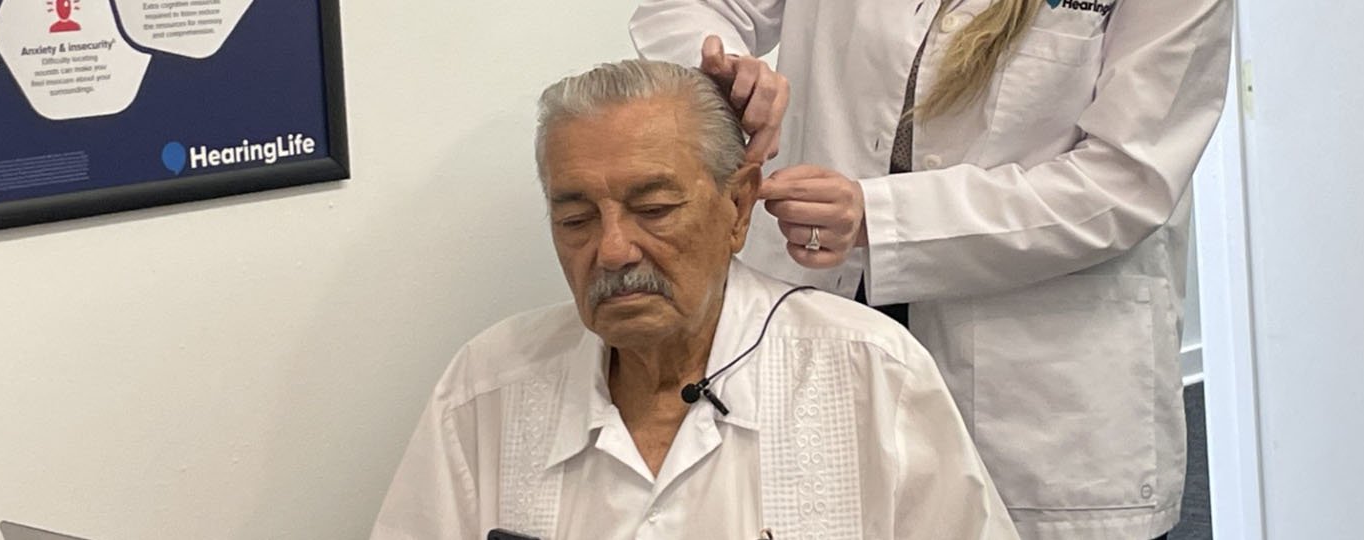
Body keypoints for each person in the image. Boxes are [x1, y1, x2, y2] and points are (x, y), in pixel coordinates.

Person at [631, 1, 1233, 539]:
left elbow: (1125, 182)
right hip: (819, 307)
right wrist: (723, 72)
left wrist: (881, 217)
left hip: (1034, 367)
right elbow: (691, 8)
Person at [370, 59, 1017, 540]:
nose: (614, 249)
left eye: (653, 209)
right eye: (576, 220)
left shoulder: (869, 374)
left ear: (737, 208)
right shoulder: (489, 387)